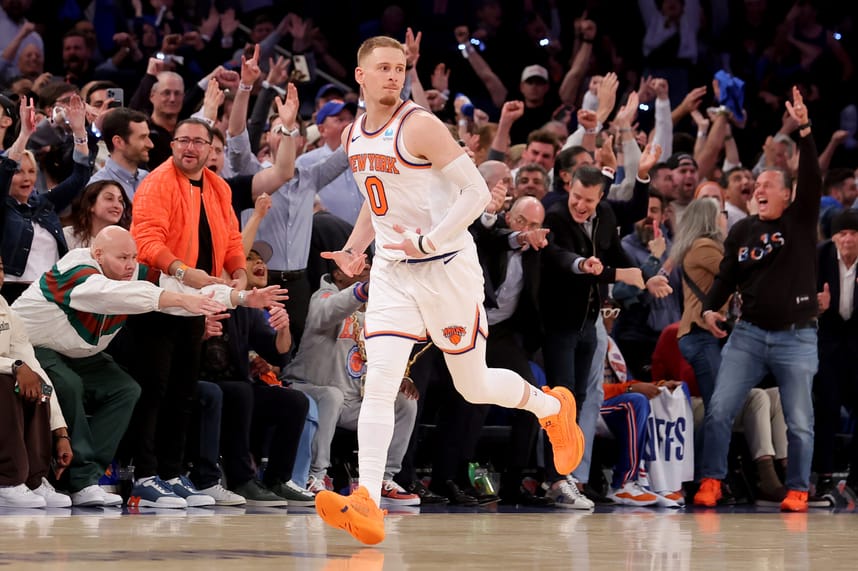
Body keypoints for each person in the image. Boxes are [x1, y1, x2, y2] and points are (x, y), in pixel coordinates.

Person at [315, 36, 582, 545]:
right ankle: (367, 499)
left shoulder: (420, 125)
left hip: (446, 269)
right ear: (360, 76)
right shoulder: (353, 137)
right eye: (384, 68)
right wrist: (355, 248)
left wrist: (431, 239)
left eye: (400, 68)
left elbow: (476, 192)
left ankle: (553, 409)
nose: (394, 76)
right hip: (394, 271)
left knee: (473, 385)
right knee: (380, 382)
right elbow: (379, 204)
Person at [12, 227, 277, 507]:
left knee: (125, 389)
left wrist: (242, 298)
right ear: (98, 254)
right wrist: (177, 300)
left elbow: (178, 288)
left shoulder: (131, 272)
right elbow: (114, 294)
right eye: (123, 257)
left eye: (134, 257)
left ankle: (87, 477)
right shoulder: (75, 269)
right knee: (69, 385)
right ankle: (78, 480)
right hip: (31, 347)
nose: (130, 265)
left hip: (78, 353)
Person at [112, 118, 258, 509]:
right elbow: (145, 241)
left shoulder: (219, 186)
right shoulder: (157, 182)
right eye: (183, 140)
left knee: (182, 391)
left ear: (211, 149)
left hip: (197, 298)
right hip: (159, 297)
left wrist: (240, 270)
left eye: (199, 142)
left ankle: (173, 473)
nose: (190, 148)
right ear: (172, 144)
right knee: (153, 388)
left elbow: (229, 238)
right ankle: (144, 476)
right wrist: (182, 271)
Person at [694, 87, 821, 512]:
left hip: (797, 336)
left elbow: (814, 179)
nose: (760, 189)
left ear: (788, 195)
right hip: (747, 335)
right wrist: (711, 308)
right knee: (719, 411)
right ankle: (710, 481)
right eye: (757, 185)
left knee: (801, 422)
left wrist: (804, 129)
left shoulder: (801, 220)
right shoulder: (742, 230)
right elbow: (727, 275)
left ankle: (798, 489)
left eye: (769, 184)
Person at [284, 258, 420, 508]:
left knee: (403, 403)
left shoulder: (377, 311)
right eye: (362, 270)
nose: (369, 275)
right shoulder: (324, 296)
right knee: (332, 396)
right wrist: (361, 290)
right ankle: (315, 476)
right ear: (338, 274)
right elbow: (326, 312)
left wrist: (401, 377)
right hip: (308, 390)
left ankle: (382, 478)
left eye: (370, 271)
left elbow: (382, 355)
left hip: (351, 400)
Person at [0, 256, 72, 508]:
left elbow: (32, 363)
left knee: (37, 384)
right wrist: (16, 367)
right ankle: (7, 481)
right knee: (6, 385)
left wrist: (60, 432)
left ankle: (34, 478)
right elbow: (17, 364)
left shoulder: (4, 307)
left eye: (0, 268)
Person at [812, 209, 858, 500]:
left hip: (856, 344)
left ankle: (855, 478)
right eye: (842, 233)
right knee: (825, 409)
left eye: (854, 233)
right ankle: (824, 476)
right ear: (833, 237)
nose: (848, 239)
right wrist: (817, 307)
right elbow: (800, 299)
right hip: (826, 342)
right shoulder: (819, 257)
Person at [87, 107, 153, 202]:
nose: (150, 144)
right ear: (118, 142)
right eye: (142, 137)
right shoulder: (96, 187)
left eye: (148, 136)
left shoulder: (149, 180)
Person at [63, 180, 129, 249]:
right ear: (90, 205)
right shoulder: (67, 236)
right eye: (109, 198)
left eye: (120, 201)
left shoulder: (126, 240)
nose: (117, 205)